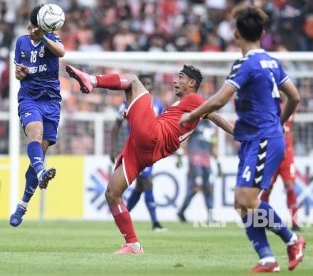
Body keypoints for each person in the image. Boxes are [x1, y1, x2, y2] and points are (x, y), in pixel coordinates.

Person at [179, 5, 305, 273]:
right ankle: (267, 259)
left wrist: (193, 114)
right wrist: (279, 124)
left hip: (262, 139)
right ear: (262, 33)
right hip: (259, 138)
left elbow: (220, 99)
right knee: (241, 202)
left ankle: (293, 240)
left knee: (247, 200)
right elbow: (294, 96)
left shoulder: (245, 64)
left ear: (236, 34)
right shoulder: (273, 62)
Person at [66, 63, 233, 254]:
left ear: (192, 83)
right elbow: (204, 115)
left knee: (133, 81)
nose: (175, 80)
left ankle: (92, 80)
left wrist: (237, 133)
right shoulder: (186, 105)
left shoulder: (194, 99)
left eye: (180, 77)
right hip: (145, 152)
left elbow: (215, 115)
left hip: (153, 137)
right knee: (112, 193)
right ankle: (133, 244)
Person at [9, 4, 65, 227]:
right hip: (29, 98)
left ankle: (22, 205)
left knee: (37, 157)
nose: (30, 30)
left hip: (51, 101)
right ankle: (42, 172)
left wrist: (43, 37)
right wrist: (19, 73)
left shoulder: (52, 38)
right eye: (29, 26)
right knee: (35, 132)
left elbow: (61, 53)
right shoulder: (21, 42)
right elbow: (17, 72)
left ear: (42, 27)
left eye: (34, 27)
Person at [110, 74, 166, 232]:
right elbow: (115, 126)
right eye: (144, 83)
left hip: (151, 149)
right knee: (147, 183)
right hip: (136, 149)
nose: (147, 86)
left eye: (149, 83)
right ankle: (156, 223)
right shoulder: (128, 104)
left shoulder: (158, 105)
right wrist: (113, 147)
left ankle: (121, 216)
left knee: (140, 188)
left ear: (152, 87)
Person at [261, 93, 301, 232]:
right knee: (267, 188)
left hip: (287, 155)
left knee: (290, 187)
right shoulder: (268, 108)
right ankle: (264, 220)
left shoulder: (291, 107)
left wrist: (290, 146)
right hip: (272, 154)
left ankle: (295, 223)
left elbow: (291, 129)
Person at [176, 119, 221, 223]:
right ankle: (182, 211)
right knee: (196, 186)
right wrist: (180, 154)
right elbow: (185, 140)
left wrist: (218, 164)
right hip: (194, 159)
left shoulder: (212, 128)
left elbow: (213, 146)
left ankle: (210, 216)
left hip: (206, 161)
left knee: (209, 187)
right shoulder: (195, 124)